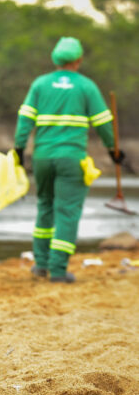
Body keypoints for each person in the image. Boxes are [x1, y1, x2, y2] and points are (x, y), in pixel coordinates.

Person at [14, 37, 125, 284]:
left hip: (42, 157)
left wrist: (19, 151)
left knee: (45, 207)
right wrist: (113, 151)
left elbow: (25, 120)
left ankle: (41, 265)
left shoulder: (40, 84)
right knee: (67, 212)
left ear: (55, 59)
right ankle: (58, 270)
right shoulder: (86, 86)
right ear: (79, 60)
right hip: (71, 158)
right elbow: (104, 123)